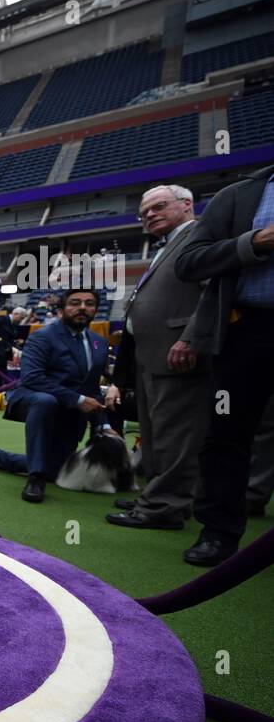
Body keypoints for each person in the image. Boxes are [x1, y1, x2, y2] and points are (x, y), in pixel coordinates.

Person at [172, 163, 274, 565]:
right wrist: (255, 243)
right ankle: (218, 532)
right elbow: (189, 262)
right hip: (245, 332)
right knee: (226, 434)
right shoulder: (240, 193)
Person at [104, 185, 209, 531]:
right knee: (154, 432)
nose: (149, 214)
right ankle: (156, 495)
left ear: (186, 205)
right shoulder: (169, 244)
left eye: (158, 206)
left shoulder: (200, 235)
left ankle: (166, 505)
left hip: (177, 352)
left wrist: (190, 337)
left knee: (174, 434)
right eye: (144, 211)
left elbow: (213, 292)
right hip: (151, 356)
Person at [0, 290, 110, 503]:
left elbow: (92, 387)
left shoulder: (99, 343)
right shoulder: (42, 336)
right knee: (45, 400)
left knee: (56, 470)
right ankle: (35, 478)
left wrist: (103, 425)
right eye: (75, 303)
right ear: (61, 310)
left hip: (71, 411)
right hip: (33, 398)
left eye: (89, 303)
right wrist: (79, 400)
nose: (82, 307)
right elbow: (32, 379)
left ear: (95, 309)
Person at [0, 306, 30, 390]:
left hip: (4, 353)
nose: (21, 320)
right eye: (20, 318)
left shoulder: (14, 325)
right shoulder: (2, 319)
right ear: (16, 314)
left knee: (1, 375)